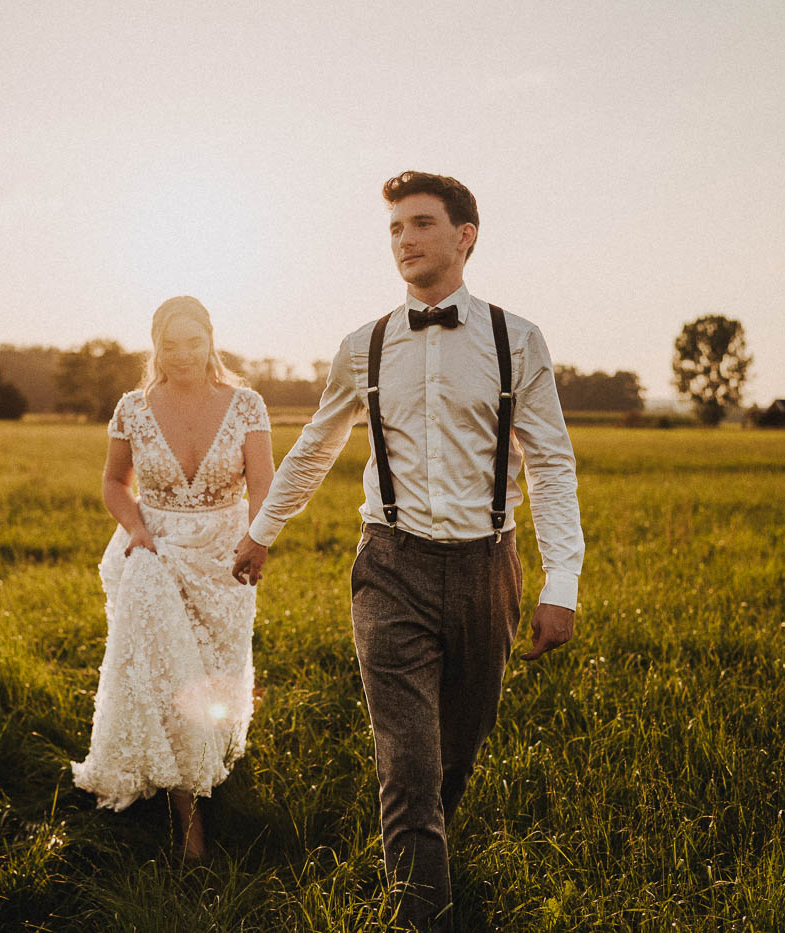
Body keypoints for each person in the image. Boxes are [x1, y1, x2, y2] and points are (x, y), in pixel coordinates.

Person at [232, 172, 584, 930]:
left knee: (456, 753)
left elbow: (552, 463)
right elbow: (316, 445)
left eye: (421, 223)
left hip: (488, 569)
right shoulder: (363, 345)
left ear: (465, 236)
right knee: (410, 764)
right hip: (390, 566)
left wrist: (563, 582)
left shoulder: (517, 340)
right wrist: (262, 531)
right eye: (395, 228)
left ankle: (418, 853)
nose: (404, 239)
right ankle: (421, 914)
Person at [72, 295, 274, 861]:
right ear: (155, 347)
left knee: (216, 676)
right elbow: (114, 482)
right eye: (170, 344)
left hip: (226, 558)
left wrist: (258, 538)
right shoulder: (132, 409)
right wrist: (136, 528)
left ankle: (209, 765)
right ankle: (190, 820)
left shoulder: (246, 405)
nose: (183, 354)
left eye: (194, 342)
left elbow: (263, 482)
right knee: (168, 677)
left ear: (211, 341)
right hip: (153, 553)